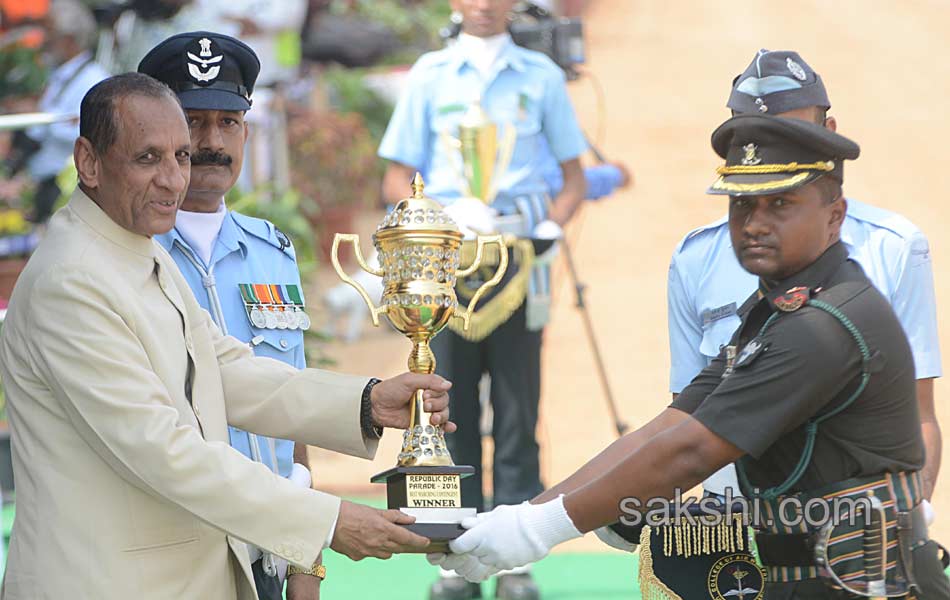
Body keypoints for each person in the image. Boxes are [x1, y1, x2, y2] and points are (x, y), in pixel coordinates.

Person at [436, 114, 950, 599]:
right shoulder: (777, 308)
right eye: (742, 205)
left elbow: (692, 451)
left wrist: (536, 530)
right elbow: (673, 423)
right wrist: (524, 514)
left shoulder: (822, 326)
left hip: (861, 583)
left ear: (835, 216)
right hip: (808, 576)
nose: (754, 224)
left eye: (781, 204)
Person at [0, 72, 455, 599]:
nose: (173, 180)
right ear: (88, 161)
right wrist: (327, 521)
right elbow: (164, 451)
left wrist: (368, 402)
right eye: (148, 158)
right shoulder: (72, 280)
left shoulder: (131, 247)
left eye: (181, 156)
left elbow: (224, 371)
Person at [377, 1, 588, 598]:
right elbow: (396, 176)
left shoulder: (541, 77)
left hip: (518, 255)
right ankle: (456, 550)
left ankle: (515, 555)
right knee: (448, 408)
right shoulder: (429, 74)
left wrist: (552, 224)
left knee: (520, 408)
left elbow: (573, 178)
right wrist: (433, 216)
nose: (486, 5)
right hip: (446, 262)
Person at [139, 31, 317, 600]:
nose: (213, 143)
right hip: (177, 557)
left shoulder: (273, 251)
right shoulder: (131, 256)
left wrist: (307, 566)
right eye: (193, 123)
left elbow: (296, 409)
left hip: (268, 550)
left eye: (229, 122)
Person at [2, 0, 108, 223]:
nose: (44, 39)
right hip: (32, 180)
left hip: (59, 191)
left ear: (68, 40)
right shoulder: (57, 73)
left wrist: (41, 115)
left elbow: (88, 132)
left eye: (49, 31)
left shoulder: (94, 81)